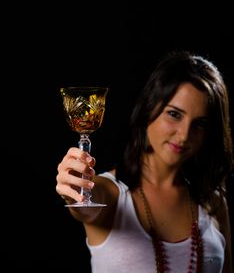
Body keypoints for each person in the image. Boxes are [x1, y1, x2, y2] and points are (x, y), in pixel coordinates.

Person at [56, 50, 233, 273]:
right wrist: (72, 190)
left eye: (199, 124)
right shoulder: (111, 192)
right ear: (149, 110)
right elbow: (85, 208)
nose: (184, 134)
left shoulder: (213, 202)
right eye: (174, 114)